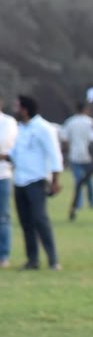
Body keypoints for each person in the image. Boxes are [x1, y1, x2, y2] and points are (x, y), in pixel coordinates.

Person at [3, 96, 62, 270]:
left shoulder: (43, 128)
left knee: (40, 219)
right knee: (26, 223)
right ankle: (32, 260)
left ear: (25, 110)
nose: (14, 109)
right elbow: (13, 154)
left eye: (17, 107)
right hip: (20, 181)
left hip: (36, 180)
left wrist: (55, 181)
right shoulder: (21, 129)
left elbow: (55, 155)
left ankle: (53, 259)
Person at [62, 100, 93, 219]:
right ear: (85, 110)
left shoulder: (70, 122)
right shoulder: (90, 122)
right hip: (88, 156)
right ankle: (92, 202)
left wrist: (68, 149)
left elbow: (64, 138)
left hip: (75, 155)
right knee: (89, 180)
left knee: (78, 181)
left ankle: (78, 203)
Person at [0, 97, 16, 268]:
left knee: (2, 217)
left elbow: (6, 147)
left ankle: (3, 255)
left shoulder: (7, 122)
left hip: (2, 175)